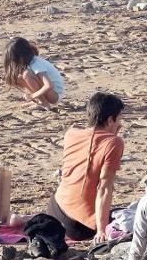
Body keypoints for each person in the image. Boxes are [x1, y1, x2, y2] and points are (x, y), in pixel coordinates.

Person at [46, 92, 124, 242]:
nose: (120, 124)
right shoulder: (114, 143)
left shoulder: (71, 133)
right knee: (134, 215)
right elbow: (104, 188)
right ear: (110, 120)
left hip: (54, 208)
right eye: (118, 119)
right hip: (78, 226)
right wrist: (101, 230)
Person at [1, 37, 64, 107]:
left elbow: (49, 85)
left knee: (27, 74)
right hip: (48, 93)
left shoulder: (36, 63)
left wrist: (32, 96)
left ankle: (43, 102)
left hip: (55, 95)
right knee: (15, 77)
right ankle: (39, 100)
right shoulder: (29, 62)